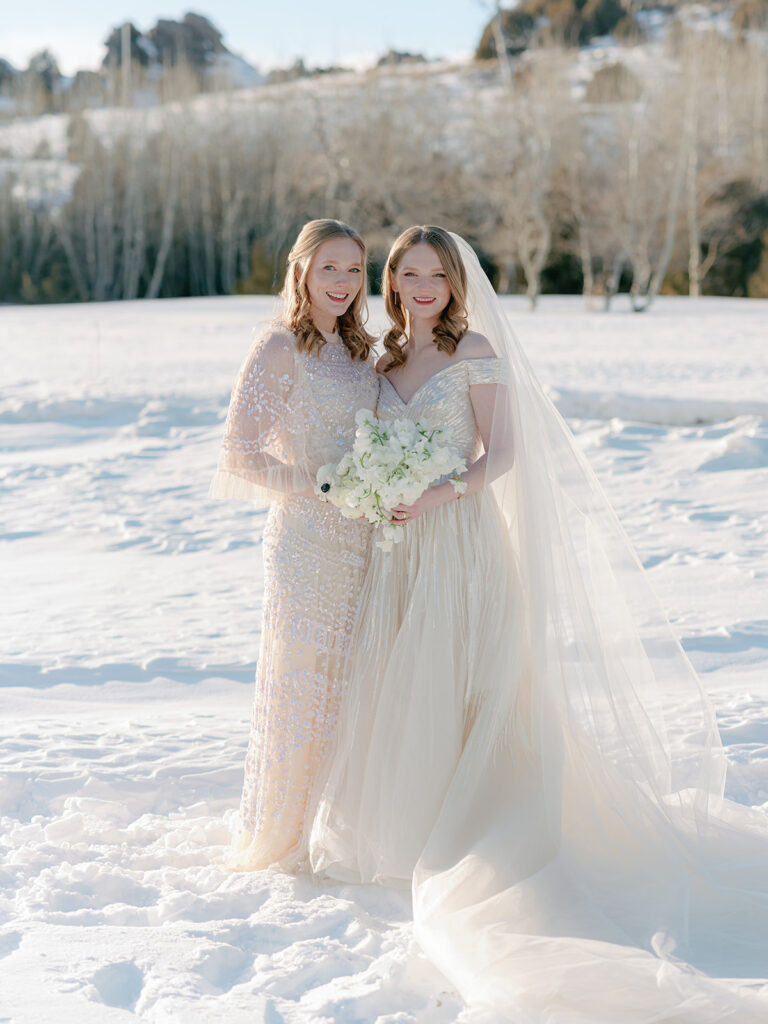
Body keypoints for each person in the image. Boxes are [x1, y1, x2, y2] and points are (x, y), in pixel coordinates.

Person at [309, 226, 768, 1022]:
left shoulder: (475, 349)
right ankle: (408, 818)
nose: (423, 287)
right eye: (408, 273)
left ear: (456, 283)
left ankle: (471, 826)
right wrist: (371, 485)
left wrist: (436, 492)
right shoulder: (381, 360)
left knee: (469, 684)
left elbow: (504, 454)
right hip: (398, 551)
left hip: (457, 540)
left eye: (436, 275)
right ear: (391, 284)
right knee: (403, 679)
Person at [209, 219, 379, 872]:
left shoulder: (364, 352)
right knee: (303, 680)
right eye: (330, 267)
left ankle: (344, 824)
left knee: (355, 681)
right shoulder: (278, 347)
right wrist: (316, 482)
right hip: (305, 543)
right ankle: (289, 827)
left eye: (354, 270)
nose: (342, 282)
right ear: (301, 269)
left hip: (364, 541)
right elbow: (238, 455)